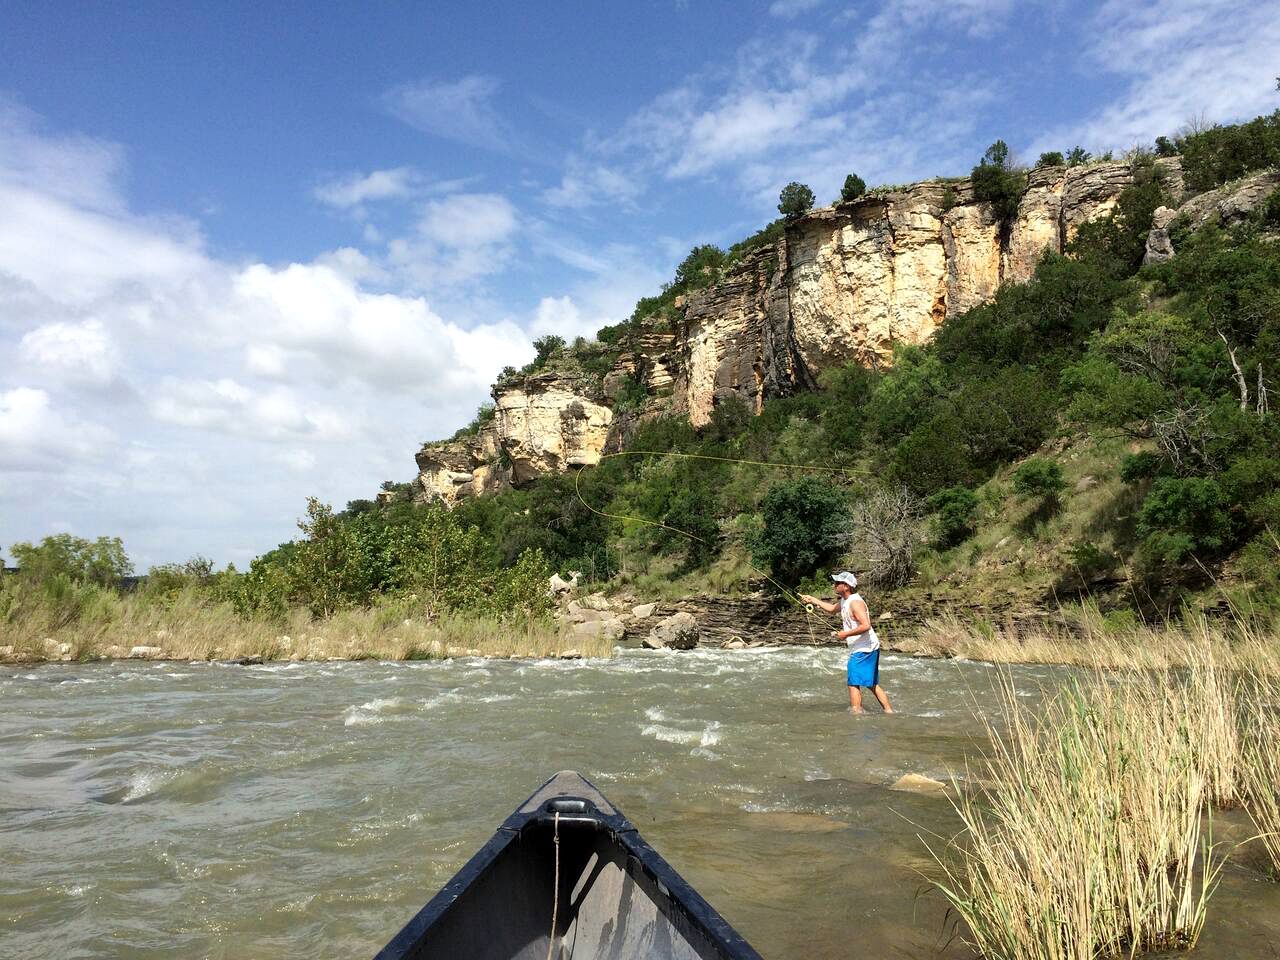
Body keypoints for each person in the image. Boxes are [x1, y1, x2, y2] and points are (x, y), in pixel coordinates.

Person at [800, 571, 893, 714]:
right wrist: (813, 599)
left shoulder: (855, 603)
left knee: (853, 682)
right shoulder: (844, 601)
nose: (834, 585)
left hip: (864, 648)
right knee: (871, 684)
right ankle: (889, 712)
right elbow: (832, 609)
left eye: (838, 583)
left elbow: (866, 625)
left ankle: (856, 713)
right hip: (867, 647)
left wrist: (845, 634)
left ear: (846, 586)